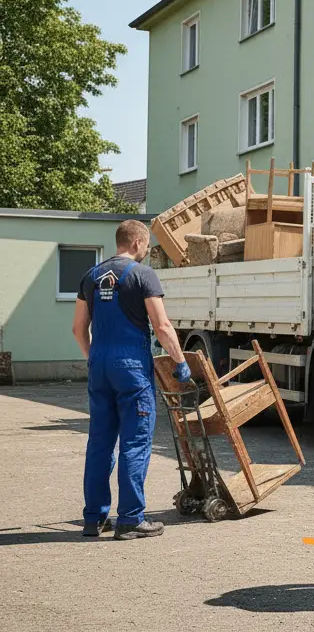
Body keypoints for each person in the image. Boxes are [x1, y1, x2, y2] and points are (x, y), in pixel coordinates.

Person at [72, 219, 190, 540]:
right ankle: (130, 519)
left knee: (99, 444)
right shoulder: (142, 275)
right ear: (137, 243)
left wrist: (94, 359)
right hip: (132, 370)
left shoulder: (90, 277)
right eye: (147, 245)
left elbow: (78, 328)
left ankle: (94, 519)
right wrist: (180, 361)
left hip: (100, 366)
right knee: (135, 443)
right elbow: (162, 326)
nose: (147, 250)